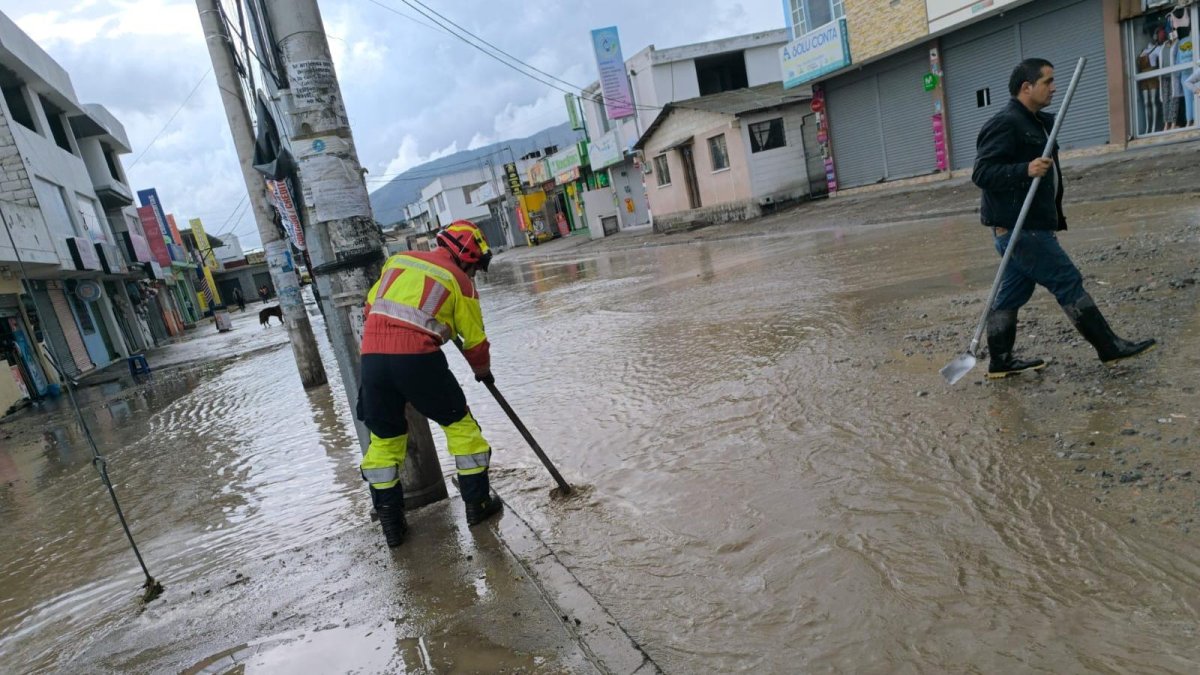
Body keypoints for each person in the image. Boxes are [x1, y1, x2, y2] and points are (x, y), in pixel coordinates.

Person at [972, 58, 1157, 379]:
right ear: (1026, 87)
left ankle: (1000, 361)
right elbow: (982, 172)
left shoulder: (1037, 121)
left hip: (1026, 226)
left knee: (1013, 293)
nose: (1054, 87)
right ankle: (1108, 347)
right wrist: (1024, 169)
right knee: (1067, 280)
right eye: (1047, 81)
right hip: (1021, 228)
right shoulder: (1006, 122)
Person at [356, 219, 499, 547]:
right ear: (464, 256)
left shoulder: (397, 261)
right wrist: (482, 372)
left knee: (384, 443)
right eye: (475, 266)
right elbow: (475, 342)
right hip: (417, 359)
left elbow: (370, 308)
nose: (474, 273)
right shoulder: (459, 281)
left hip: (373, 359)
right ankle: (477, 506)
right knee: (463, 431)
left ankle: (392, 525)